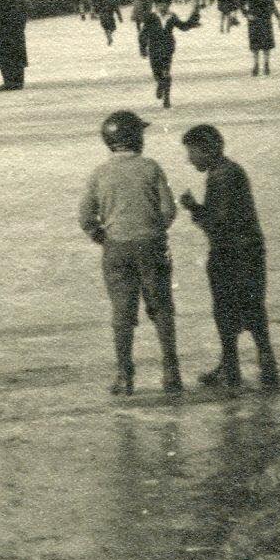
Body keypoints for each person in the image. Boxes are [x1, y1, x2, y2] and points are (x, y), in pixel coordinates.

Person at [78, 110, 183, 395]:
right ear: (135, 139)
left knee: (122, 313)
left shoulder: (99, 173)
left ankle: (125, 375)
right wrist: (154, 231)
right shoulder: (151, 168)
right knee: (162, 310)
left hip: (116, 250)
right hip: (151, 247)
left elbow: (86, 217)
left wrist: (104, 237)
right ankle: (171, 373)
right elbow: (168, 210)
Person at [178, 125, 279, 390]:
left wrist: (193, 208)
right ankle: (265, 366)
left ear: (207, 150)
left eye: (192, 152)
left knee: (225, 310)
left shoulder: (221, 176)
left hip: (231, 253)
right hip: (249, 250)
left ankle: (232, 369)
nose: (189, 158)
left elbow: (218, 222)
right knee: (253, 307)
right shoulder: (229, 170)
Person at [141, 0, 203, 109]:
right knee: (156, 73)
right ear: (156, 6)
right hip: (154, 49)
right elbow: (144, 33)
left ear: (168, 5)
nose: (163, 7)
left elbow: (183, 26)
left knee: (166, 73)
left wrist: (193, 20)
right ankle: (160, 84)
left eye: (165, 4)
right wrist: (142, 47)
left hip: (167, 48)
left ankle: (167, 99)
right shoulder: (151, 17)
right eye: (160, 4)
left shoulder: (172, 16)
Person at [0, 0, 29, 90]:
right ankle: (19, 81)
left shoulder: (0, 4)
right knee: (18, 56)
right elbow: (23, 15)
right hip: (17, 33)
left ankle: (8, 81)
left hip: (4, 33)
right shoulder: (17, 2)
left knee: (6, 58)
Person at [242, 0, 276, 77]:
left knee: (266, 44)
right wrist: (247, 14)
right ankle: (256, 65)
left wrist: (279, 19)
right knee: (255, 45)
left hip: (265, 20)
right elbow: (240, 4)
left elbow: (273, 5)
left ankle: (266, 65)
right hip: (254, 21)